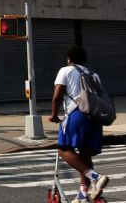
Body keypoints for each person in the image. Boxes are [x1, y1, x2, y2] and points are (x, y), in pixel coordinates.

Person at [49, 46, 109, 203]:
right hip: (95, 118)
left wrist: (54, 115)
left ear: (69, 59)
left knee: (63, 149)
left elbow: (57, 95)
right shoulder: (93, 74)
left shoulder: (66, 70)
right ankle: (82, 196)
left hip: (77, 115)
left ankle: (96, 177)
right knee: (85, 155)